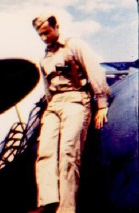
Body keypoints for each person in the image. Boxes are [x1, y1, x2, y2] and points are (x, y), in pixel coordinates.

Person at [32, 13, 110, 213]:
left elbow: (95, 71)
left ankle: (66, 209)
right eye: (40, 35)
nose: (44, 38)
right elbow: (47, 87)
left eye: (47, 32)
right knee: (45, 152)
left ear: (56, 26)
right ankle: (47, 201)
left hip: (75, 100)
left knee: (68, 153)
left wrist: (101, 104)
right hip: (54, 105)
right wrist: (49, 108)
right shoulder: (45, 57)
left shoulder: (74, 46)